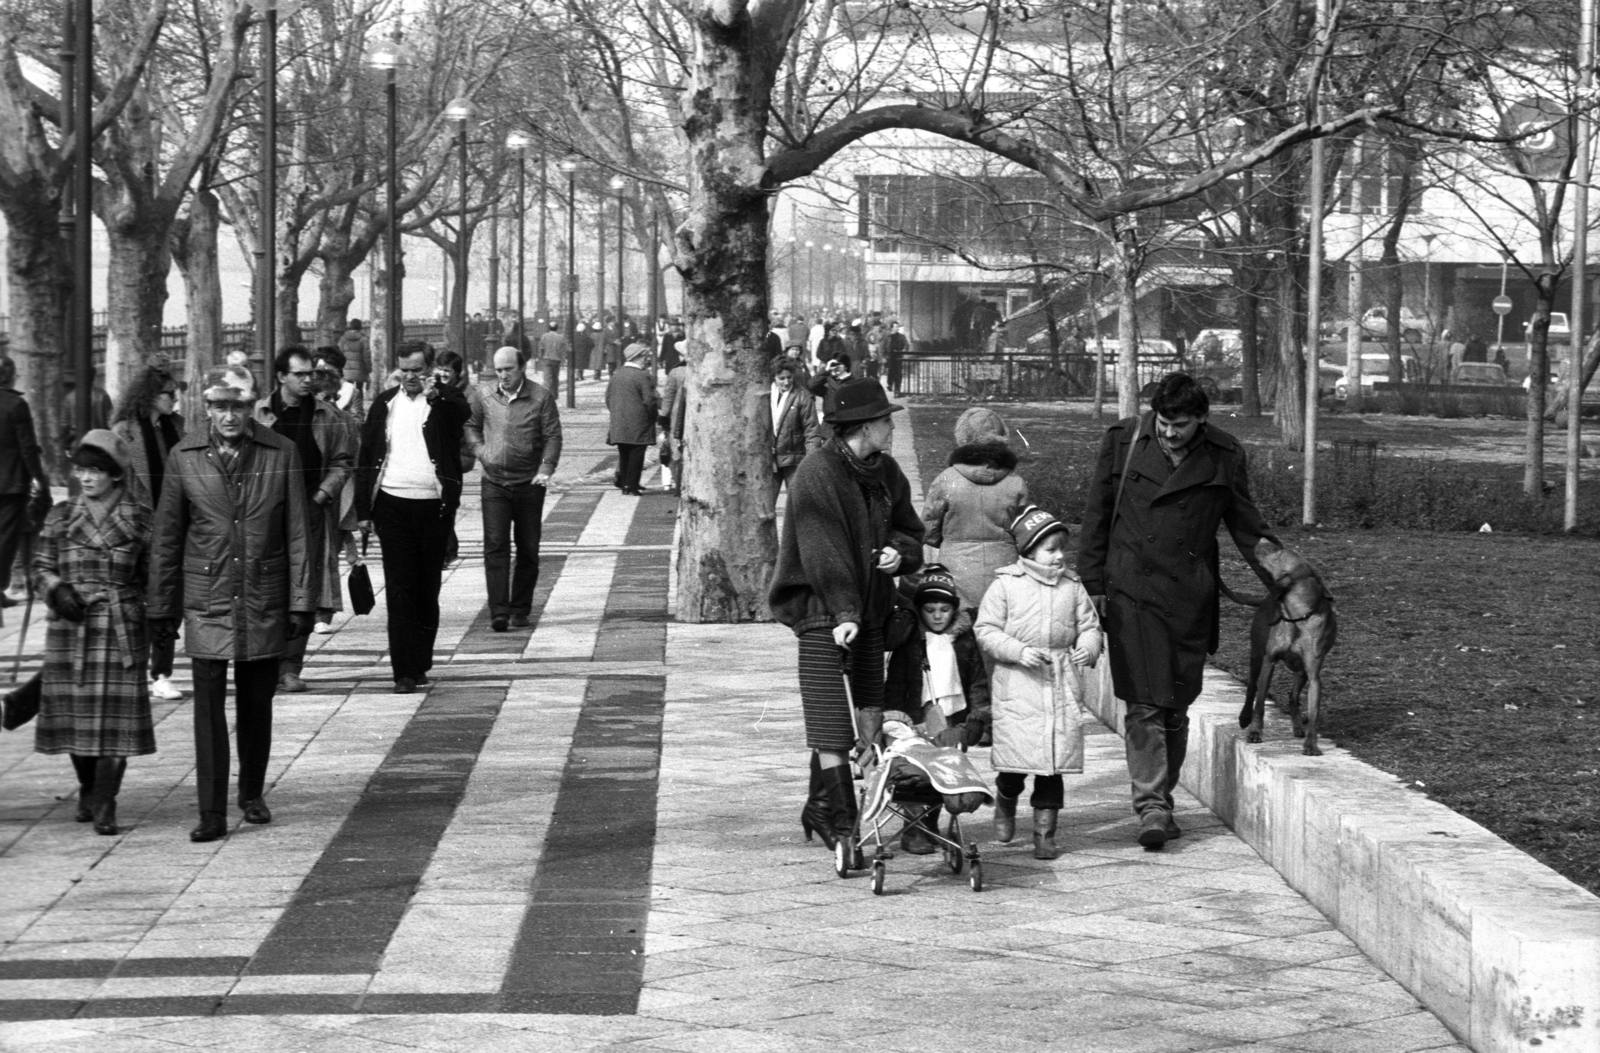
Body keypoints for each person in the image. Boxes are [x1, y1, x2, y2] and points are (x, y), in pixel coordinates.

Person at [1077, 372, 1273, 849]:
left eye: (1180, 425)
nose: (1168, 432)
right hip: (1131, 591)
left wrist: (1285, 576)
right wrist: (1093, 586)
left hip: (1188, 595)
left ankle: (1160, 800)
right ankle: (1152, 807)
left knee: (1176, 707)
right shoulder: (1124, 441)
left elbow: (1246, 525)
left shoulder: (1224, 454)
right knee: (1144, 702)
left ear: (1202, 421)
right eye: (1163, 422)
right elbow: (1096, 516)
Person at [148, 366, 314, 843]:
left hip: (264, 593)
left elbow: (299, 531)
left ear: (252, 407)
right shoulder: (185, 455)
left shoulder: (281, 452)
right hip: (207, 596)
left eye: (238, 406)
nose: (229, 416)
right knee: (207, 709)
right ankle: (211, 810)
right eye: (220, 406)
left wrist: (301, 602)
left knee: (256, 702)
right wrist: (162, 607)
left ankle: (252, 793)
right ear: (206, 408)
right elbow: (167, 536)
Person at [766, 378, 924, 860]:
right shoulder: (818, 473)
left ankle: (818, 805)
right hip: (820, 609)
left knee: (869, 718)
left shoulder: (887, 472)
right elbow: (822, 551)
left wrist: (901, 553)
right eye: (884, 419)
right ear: (861, 426)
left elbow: (909, 529)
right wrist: (842, 613)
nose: (892, 425)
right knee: (832, 723)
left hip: (869, 608)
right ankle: (841, 824)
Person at [30, 430, 156, 836]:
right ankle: (87, 786)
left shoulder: (138, 519)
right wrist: (57, 590)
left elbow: (153, 575)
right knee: (78, 722)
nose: (85, 478)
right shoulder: (61, 516)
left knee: (116, 727)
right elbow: (40, 566)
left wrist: (156, 617)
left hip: (120, 628)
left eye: (95, 471)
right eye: (81, 470)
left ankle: (106, 801)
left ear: (116, 474)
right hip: (72, 629)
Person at [976, 505, 1102, 860]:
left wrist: (1087, 648)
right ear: (1029, 550)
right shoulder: (1005, 585)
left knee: (1053, 765)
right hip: (1019, 684)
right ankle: (1005, 802)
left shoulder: (1072, 586)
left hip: (1060, 682)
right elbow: (985, 630)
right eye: (1050, 549)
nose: (1059, 555)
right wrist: (1017, 650)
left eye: (1062, 547)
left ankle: (1044, 833)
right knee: (1016, 764)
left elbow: (1090, 626)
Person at [356, 341, 470, 695]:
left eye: (417, 370)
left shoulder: (444, 402)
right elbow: (367, 454)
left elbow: (460, 417)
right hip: (392, 502)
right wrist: (363, 510)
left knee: (426, 587)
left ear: (430, 369)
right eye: (404, 369)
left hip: (433, 506)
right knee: (400, 586)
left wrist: (437, 395)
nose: (409, 377)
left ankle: (420, 660)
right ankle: (403, 670)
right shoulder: (385, 403)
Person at [255, 347, 355, 694]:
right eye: (299, 374)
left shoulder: (327, 415)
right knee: (266, 590)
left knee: (306, 590)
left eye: (310, 373)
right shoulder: (260, 415)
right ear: (281, 376)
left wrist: (324, 494)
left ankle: (291, 668)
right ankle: (268, 662)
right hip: (267, 515)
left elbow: (343, 462)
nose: (307, 380)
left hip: (311, 512)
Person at [881, 564, 990, 854]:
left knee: (945, 770)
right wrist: (895, 716)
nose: (938, 616)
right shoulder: (911, 642)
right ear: (920, 610)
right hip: (916, 717)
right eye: (930, 610)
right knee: (917, 770)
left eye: (944, 609)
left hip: (953, 714)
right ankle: (913, 828)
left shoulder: (964, 641)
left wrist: (978, 716)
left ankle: (930, 823)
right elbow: (896, 681)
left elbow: (977, 680)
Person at [466, 347, 561, 633]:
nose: (502, 375)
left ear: (522, 368)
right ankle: (499, 610)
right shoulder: (484, 395)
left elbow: (553, 435)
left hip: (529, 483)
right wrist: (481, 451)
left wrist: (545, 469)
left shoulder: (541, 397)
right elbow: (471, 425)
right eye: (498, 370)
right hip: (494, 481)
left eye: (508, 369)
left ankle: (520, 608)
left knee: (528, 548)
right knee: (495, 546)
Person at [109, 365, 185, 700]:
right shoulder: (124, 432)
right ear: (150, 396)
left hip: (174, 528)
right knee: (136, 604)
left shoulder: (178, 428)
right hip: (137, 531)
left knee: (170, 603)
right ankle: (133, 670)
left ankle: (162, 672)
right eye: (169, 393)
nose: (175, 398)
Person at [921, 407, 1030, 615]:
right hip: (1004, 570)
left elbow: (929, 530)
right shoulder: (1016, 483)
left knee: (959, 629)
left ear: (962, 438)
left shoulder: (946, 479)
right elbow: (1026, 536)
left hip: (955, 570)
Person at [0, 351, 54, 608]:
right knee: (5, 539)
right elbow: (27, 447)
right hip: (10, 483)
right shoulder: (16, 404)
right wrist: (40, 479)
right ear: (11, 377)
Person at [606, 340, 659, 496]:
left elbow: (608, 397)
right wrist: (653, 416)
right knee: (637, 453)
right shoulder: (642, 375)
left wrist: (617, 412)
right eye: (646, 356)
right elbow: (649, 400)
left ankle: (625, 482)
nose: (648, 359)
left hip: (619, 421)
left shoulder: (617, 373)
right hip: (639, 421)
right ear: (639, 357)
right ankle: (632, 485)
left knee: (624, 452)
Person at [763, 357, 822, 497]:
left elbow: (812, 430)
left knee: (798, 502)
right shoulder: (766, 394)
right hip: (770, 458)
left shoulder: (803, 396)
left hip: (794, 459)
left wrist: (811, 460)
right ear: (774, 378)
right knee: (766, 503)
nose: (786, 382)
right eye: (781, 378)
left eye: (789, 377)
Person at [659, 356, 689, 494]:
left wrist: (664, 415)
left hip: (678, 417)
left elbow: (669, 396)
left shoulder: (676, 372)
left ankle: (679, 485)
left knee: (677, 452)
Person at [338, 319, 371, 396]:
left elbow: (340, 354)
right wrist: (369, 370)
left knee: (348, 389)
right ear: (360, 327)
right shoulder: (363, 339)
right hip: (360, 369)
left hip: (347, 369)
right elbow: (367, 356)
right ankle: (359, 406)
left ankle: (348, 405)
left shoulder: (343, 339)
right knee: (359, 389)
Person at [537, 321, 569, 393]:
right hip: (556, 360)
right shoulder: (560, 337)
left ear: (549, 328)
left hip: (546, 359)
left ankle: (547, 394)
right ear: (557, 328)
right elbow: (563, 350)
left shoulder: (544, 336)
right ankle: (554, 393)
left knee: (547, 378)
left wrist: (540, 358)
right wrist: (563, 360)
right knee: (555, 378)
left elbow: (541, 348)